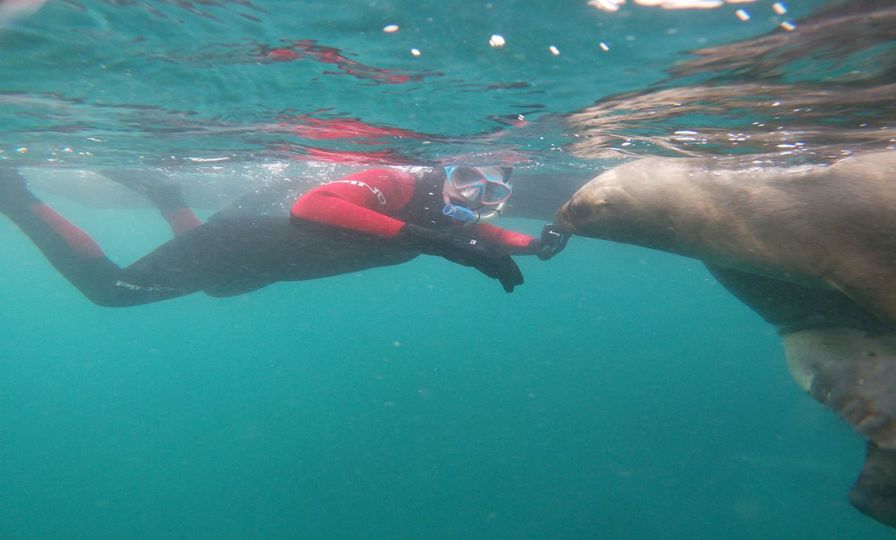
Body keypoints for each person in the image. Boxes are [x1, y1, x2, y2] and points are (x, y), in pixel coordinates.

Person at [0, 165, 569, 307]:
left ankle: (166, 194)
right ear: (444, 169)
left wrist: (534, 244)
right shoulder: (393, 180)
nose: (472, 196)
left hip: (260, 265)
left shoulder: (444, 210)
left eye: (490, 192)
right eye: (466, 179)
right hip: (243, 244)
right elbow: (313, 204)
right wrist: (445, 245)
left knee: (218, 289)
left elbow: (472, 232)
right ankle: (15, 196)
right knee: (111, 292)